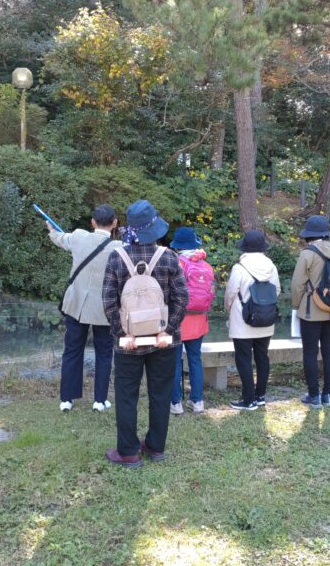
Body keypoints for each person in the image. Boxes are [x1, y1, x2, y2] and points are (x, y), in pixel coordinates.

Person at [102, 200, 188, 468]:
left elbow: (108, 301)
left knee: (126, 395)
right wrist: (168, 329)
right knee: (160, 394)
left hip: (128, 342)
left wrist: (121, 333)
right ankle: (155, 446)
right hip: (164, 341)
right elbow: (181, 299)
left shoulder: (117, 257)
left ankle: (128, 451)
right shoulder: (169, 257)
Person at [47, 204, 122, 413]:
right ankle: (99, 400)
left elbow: (59, 238)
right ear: (114, 223)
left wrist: (51, 229)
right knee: (104, 353)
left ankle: (67, 399)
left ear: (92, 222)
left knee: (72, 350)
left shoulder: (79, 236)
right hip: (104, 308)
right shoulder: (119, 248)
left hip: (77, 304)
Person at [291, 215, 330, 407]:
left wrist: (296, 305)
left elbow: (297, 284)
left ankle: (313, 395)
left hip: (311, 310)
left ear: (308, 235)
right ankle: (328, 395)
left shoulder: (307, 254)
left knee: (310, 352)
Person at [225, 229, 281, 411]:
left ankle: (248, 399)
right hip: (265, 319)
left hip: (243, 320)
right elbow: (277, 290)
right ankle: (260, 396)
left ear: (245, 248)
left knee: (244, 359)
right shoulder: (271, 266)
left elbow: (231, 294)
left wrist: (229, 310)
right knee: (262, 357)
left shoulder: (239, 268)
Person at [169, 227, 213, 415]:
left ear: (178, 246)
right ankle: (198, 402)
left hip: (178, 321)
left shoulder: (175, 264)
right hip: (199, 321)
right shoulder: (206, 266)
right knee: (195, 359)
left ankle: (176, 403)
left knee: (175, 361)